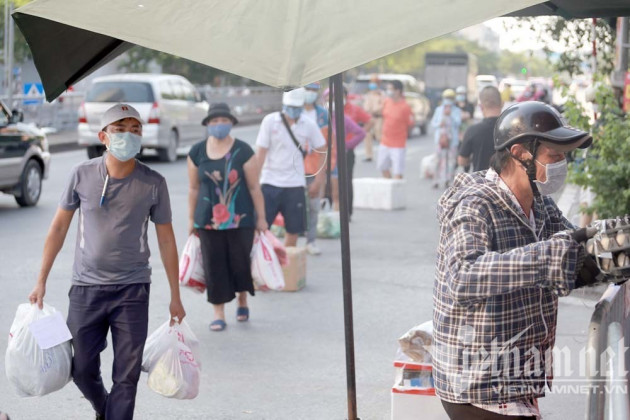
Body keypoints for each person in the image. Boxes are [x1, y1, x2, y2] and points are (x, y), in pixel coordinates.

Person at [433, 101, 602, 420]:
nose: (561, 165)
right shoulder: (475, 206)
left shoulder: (540, 204)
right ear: (521, 152)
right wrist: (548, 255)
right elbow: (462, 276)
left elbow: (575, 253)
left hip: (516, 375)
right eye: (555, 156)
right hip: (477, 383)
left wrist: (610, 250)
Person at [28, 103, 186, 420]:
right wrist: (41, 280)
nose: (129, 135)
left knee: (126, 377)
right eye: (120, 129)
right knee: (82, 368)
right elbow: (58, 227)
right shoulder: (82, 175)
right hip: (86, 289)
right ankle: (105, 408)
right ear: (103, 136)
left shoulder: (153, 182)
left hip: (133, 289)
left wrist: (175, 296)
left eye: (135, 129)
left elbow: (166, 240)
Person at [187, 102, 267, 332]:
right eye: (214, 121)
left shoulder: (244, 151)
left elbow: (254, 188)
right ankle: (218, 312)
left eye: (223, 121)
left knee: (240, 263)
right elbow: (193, 189)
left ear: (231, 123)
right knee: (214, 266)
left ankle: (242, 297)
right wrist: (192, 219)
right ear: (207, 125)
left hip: (240, 219)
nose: (219, 125)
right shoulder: (197, 152)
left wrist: (261, 218)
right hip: (207, 220)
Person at [256, 88, 326, 247]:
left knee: (293, 230)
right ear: (284, 105)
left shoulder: (308, 124)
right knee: (260, 227)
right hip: (269, 182)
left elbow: (322, 149)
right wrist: (254, 183)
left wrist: (318, 180)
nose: (293, 111)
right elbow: (260, 154)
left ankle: (286, 266)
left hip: (295, 184)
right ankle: (264, 261)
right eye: (290, 107)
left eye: (296, 107)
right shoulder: (270, 121)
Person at [302, 81, 329, 255]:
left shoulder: (323, 115)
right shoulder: (292, 112)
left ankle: (311, 240)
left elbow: (325, 146)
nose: (311, 93)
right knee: (295, 207)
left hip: (314, 168)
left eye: (314, 90)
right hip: (293, 169)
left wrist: (322, 175)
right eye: (308, 89)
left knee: (313, 206)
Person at [458, 86, 503, 172]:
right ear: (502, 103)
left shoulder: (472, 130)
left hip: (481, 183)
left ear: (481, 106)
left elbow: (462, 161)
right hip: (508, 184)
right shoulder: (512, 130)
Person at [378, 80, 414, 179]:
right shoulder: (386, 102)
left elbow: (410, 123)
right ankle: (390, 187)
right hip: (385, 142)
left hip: (398, 144)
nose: (388, 91)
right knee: (382, 167)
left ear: (398, 91)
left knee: (397, 172)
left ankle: (397, 191)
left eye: (390, 89)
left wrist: (403, 134)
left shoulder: (405, 107)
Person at [431, 89, 461, 188]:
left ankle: (448, 180)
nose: (448, 100)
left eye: (450, 98)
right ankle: (436, 180)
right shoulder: (438, 110)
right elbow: (433, 123)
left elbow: (458, 123)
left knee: (451, 161)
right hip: (440, 140)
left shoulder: (456, 110)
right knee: (438, 160)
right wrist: (439, 124)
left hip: (452, 140)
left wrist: (450, 115)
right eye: (447, 98)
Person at [362, 75, 385, 162]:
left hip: (379, 118)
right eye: (371, 82)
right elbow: (365, 106)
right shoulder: (368, 95)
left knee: (379, 136)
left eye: (374, 82)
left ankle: (383, 154)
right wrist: (368, 111)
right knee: (367, 135)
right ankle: (369, 155)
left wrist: (374, 111)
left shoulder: (381, 94)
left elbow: (382, 106)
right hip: (369, 118)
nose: (372, 84)